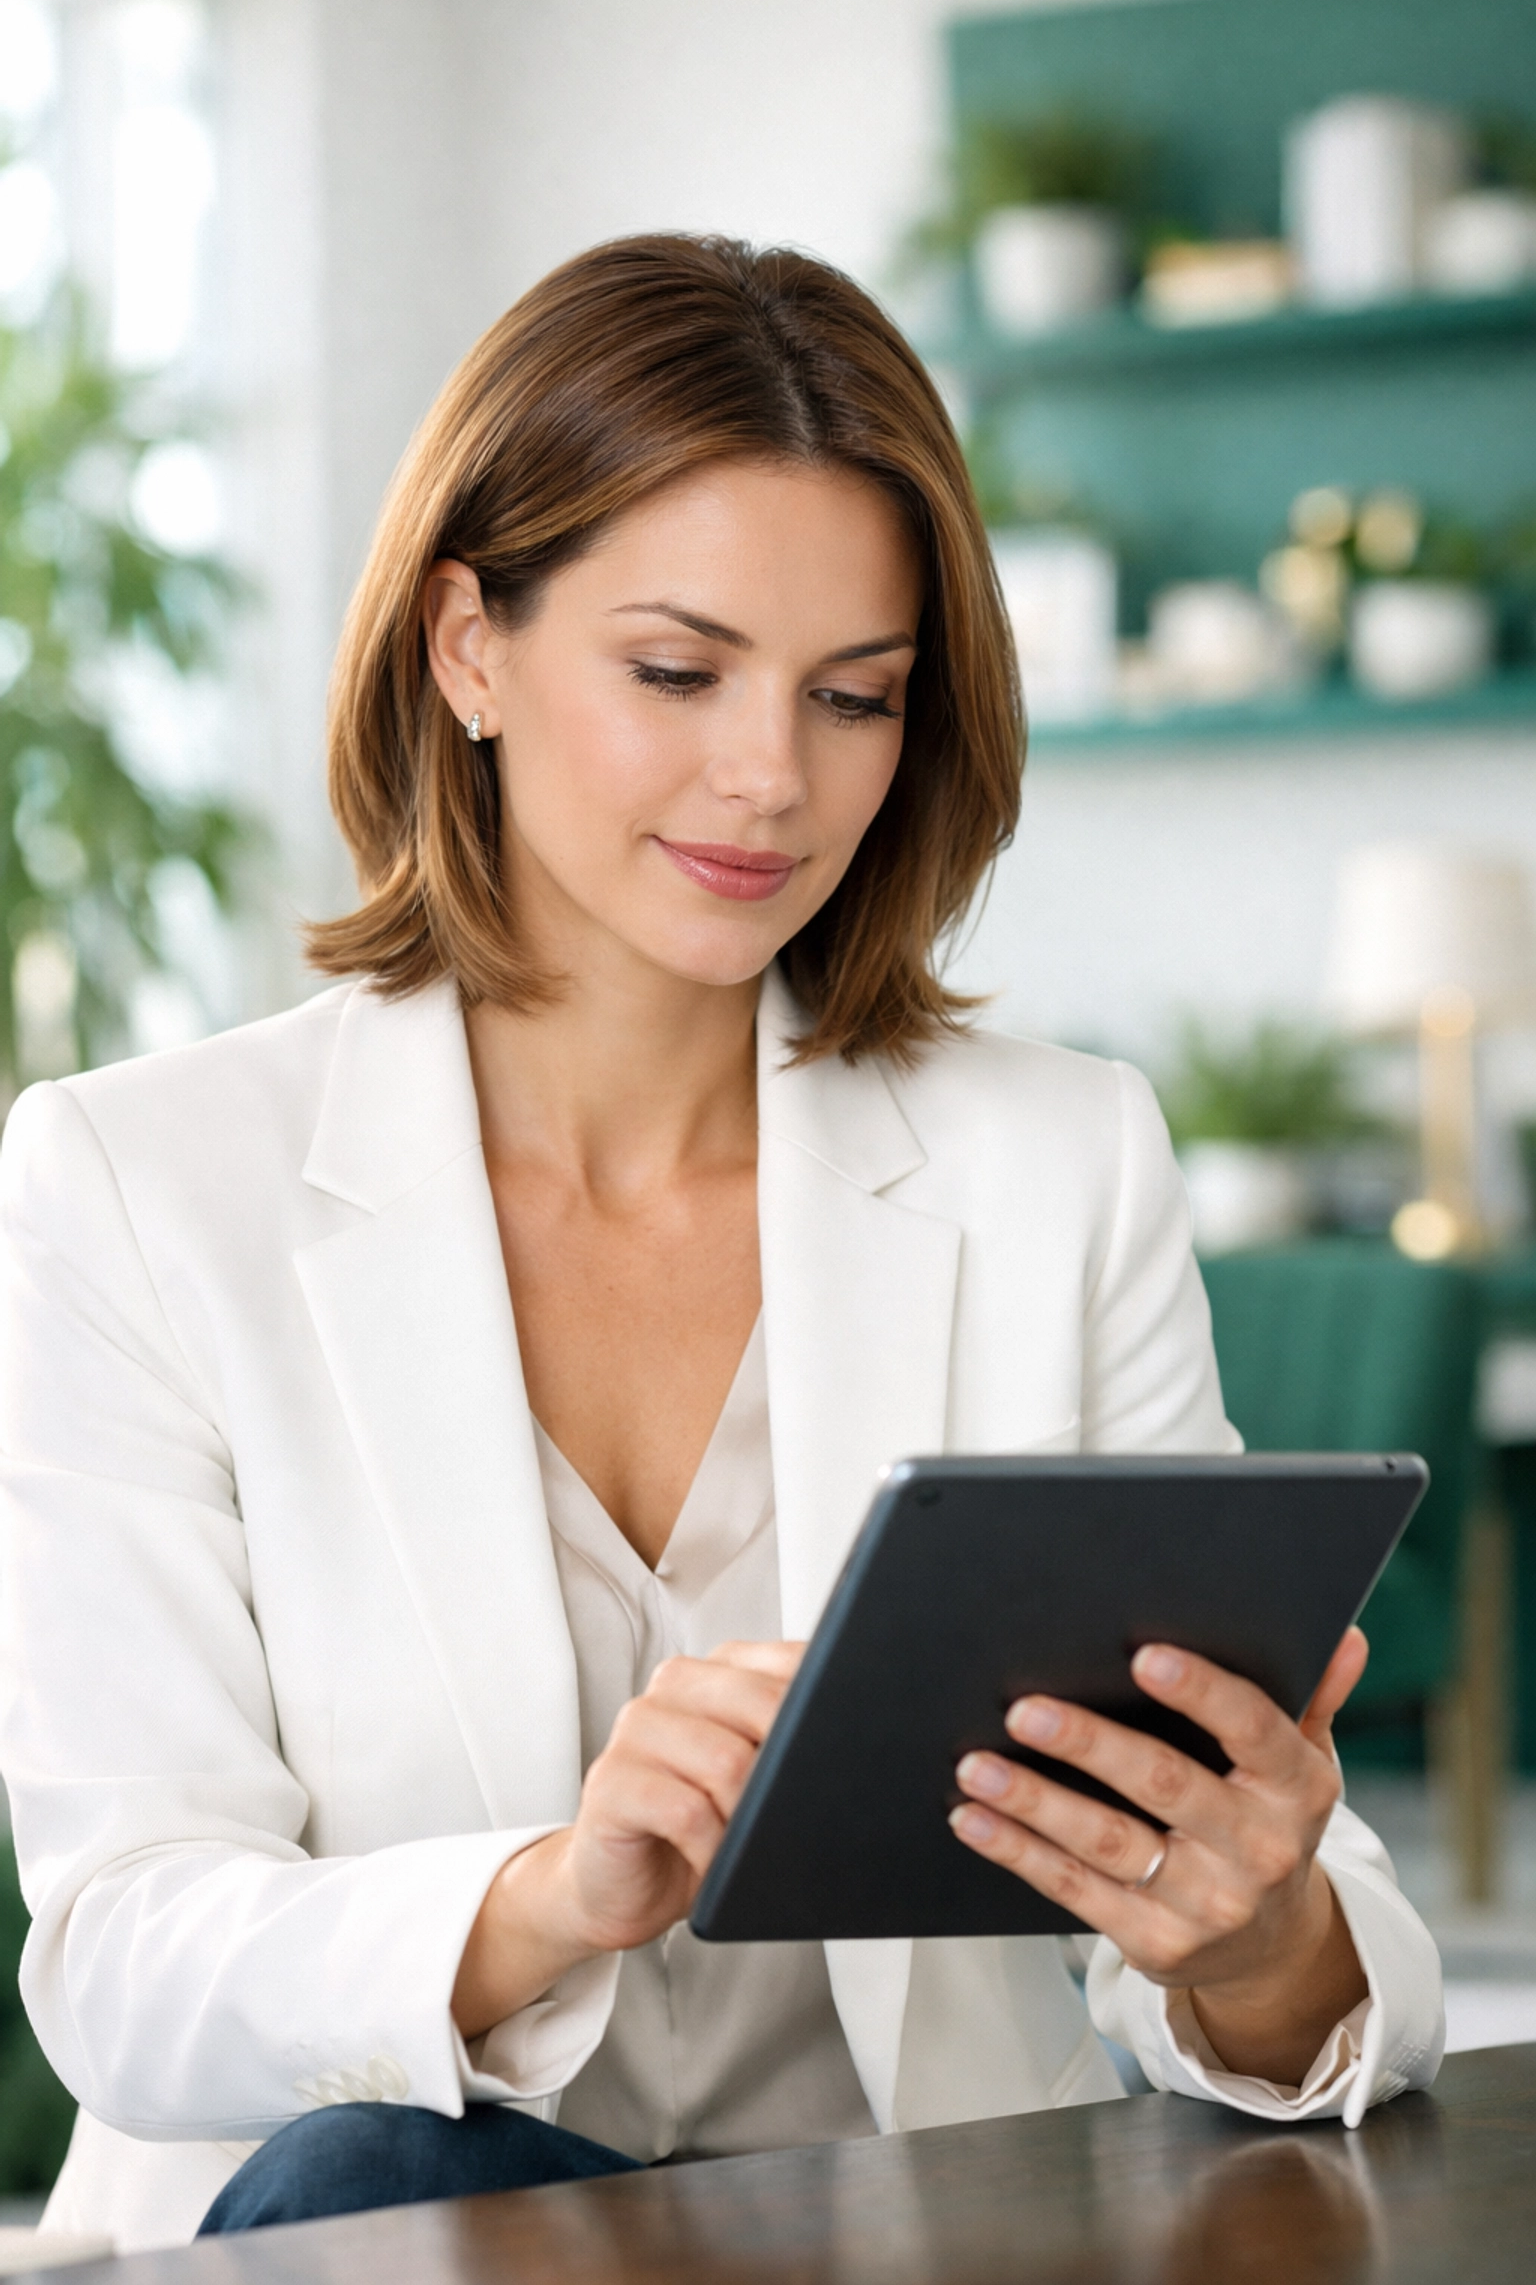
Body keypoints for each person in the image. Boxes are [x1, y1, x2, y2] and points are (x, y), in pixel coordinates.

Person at [0, 236, 1442, 2254]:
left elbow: (1284, 1958)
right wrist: (550, 1896)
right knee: (379, 2183)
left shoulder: (1059, 1163)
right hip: (368, 2238)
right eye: (678, 673)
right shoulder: (139, 1183)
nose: (773, 777)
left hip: (898, 2238)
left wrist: (1257, 1931)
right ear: (468, 648)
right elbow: (124, 1957)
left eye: (855, 696)